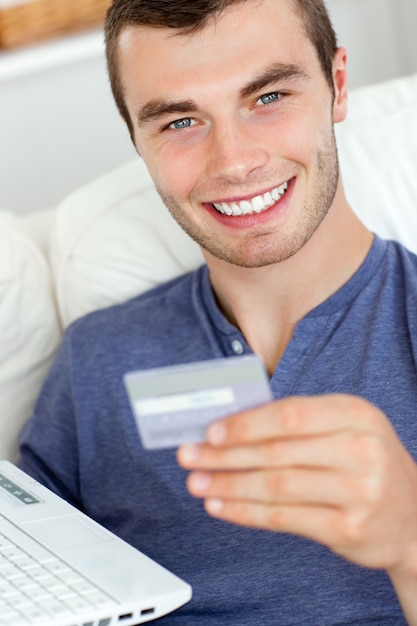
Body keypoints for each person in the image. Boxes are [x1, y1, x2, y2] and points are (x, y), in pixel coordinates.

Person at [18, 0, 417, 623]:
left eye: (268, 97)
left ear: (337, 86)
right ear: (137, 140)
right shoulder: (98, 359)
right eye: (179, 122)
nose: (233, 162)